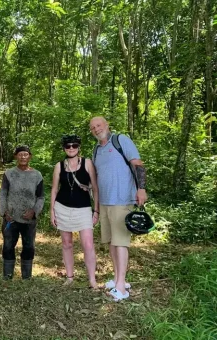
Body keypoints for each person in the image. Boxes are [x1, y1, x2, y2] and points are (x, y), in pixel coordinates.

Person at [89, 116, 147, 301]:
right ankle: (117, 279)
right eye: (93, 128)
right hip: (105, 202)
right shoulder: (97, 150)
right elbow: (97, 176)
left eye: (99, 125)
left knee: (121, 242)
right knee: (112, 242)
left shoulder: (121, 140)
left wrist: (141, 189)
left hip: (121, 199)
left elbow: (137, 164)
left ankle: (121, 287)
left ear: (107, 125)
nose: (96, 129)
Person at [50, 135, 99, 288]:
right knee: (66, 243)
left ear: (79, 147)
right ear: (64, 148)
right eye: (68, 145)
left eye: (74, 145)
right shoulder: (59, 166)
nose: (71, 148)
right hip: (62, 208)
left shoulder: (88, 163)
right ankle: (70, 277)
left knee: (88, 244)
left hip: (83, 208)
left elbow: (95, 189)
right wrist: (52, 210)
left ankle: (92, 280)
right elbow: (54, 189)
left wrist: (96, 210)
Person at [0, 145, 44, 280]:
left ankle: (26, 276)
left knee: (29, 246)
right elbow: (3, 194)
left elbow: (41, 197)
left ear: (30, 156)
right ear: (16, 157)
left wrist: (34, 211)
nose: (23, 157)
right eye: (20, 154)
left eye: (26, 154)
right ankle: (7, 276)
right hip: (11, 218)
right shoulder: (9, 174)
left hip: (29, 220)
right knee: (8, 245)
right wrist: (4, 212)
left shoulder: (37, 175)